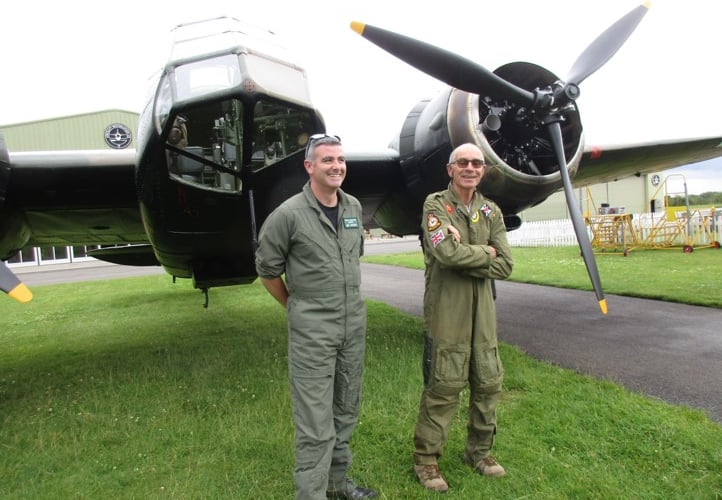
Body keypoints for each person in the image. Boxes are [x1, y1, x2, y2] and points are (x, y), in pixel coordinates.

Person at [255, 134, 377, 500]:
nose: (336, 166)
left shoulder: (353, 207)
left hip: (352, 327)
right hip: (313, 332)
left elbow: (353, 257)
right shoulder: (288, 215)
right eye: (327, 160)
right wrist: (296, 305)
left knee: (345, 411)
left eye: (340, 159)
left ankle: (339, 486)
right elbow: (267, 271)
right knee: (314, 423)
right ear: (310, 167)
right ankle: (311, 494)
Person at [412, 143, 514, 493]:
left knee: (488, 383)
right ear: (450, 169)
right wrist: (485, 252)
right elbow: (445, 253)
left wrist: (468, 254)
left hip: (483, 313)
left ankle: (479, 452)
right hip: (447, 311)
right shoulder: (436, 205)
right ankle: (426, 460)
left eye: (476, 163)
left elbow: (506, 264)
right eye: (463, 163)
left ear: (483, 170)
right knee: (443, 385)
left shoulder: (490, 211)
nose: (470, 168)